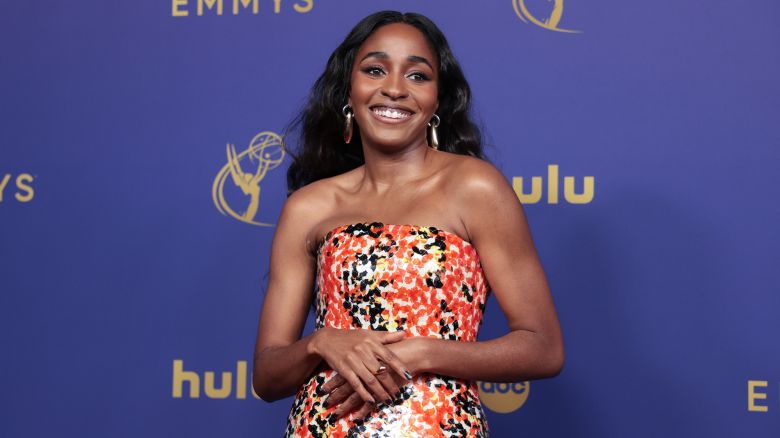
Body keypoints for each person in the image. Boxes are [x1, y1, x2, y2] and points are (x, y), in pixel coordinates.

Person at [252, 11, 564, 437]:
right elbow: (267, 376)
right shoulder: (309, 207)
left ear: (437, 99)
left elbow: (543, 347)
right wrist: (319, 342)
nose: (395, 88)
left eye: (417, 75)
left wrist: (418, 353)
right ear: (349, 89)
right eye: (375, 70)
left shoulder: (475, 187)